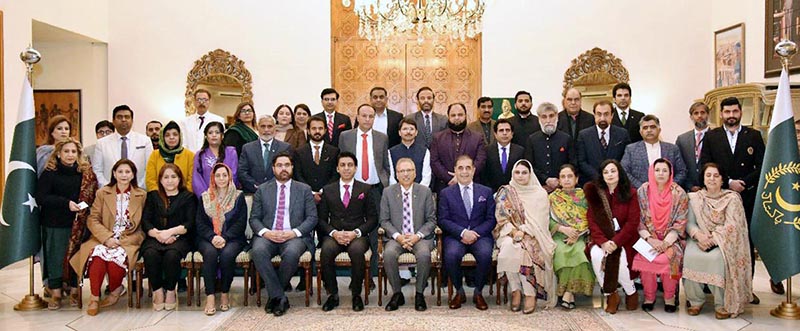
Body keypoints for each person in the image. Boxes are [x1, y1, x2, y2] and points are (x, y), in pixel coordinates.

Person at [699, 96, 766, 301]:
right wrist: (727, 183)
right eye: (727, 112)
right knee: (719, 240)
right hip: (719, 198)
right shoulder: (712, 136)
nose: (731, 116)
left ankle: (747, 288)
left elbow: (763, 165)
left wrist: (743, 183)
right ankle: (716, 285)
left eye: (735, 112)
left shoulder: (754, 135)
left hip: (747, 196)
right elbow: (705, 164)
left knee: (745, 242)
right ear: (721, 114)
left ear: (740, 113)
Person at [70, 159, 146, 316]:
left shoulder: (142, 195)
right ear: (114, 174)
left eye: (127, 172)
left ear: (133, 175)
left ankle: (115, 290)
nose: (124, 175)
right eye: (120, 171)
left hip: (129, 239)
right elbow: (93, 219)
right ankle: (94, 298)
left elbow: (144, 225)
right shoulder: (103, 193)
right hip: (103, 237)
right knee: (97, 258)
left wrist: (125, 241)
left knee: (114, 264)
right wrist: (107, 238)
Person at [249, 152, 317, 316]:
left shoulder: (304, 189)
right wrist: (266, 233)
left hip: (294, 236)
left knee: (292, 252)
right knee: (257, 251)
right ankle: (280, 297)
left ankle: (274, 296)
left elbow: (312, 218)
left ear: (292, 167)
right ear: (273, 169)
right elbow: (254, 219)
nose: (283, 169)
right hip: (268, 235)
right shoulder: (262, 190)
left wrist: (293, 232)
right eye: (279, 165)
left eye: (287, 165)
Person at [683, 163, 753, 319]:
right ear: (703, 178)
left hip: (723, 241)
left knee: (716, 259)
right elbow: (689, 222)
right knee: (690, 256)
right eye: (708, 175)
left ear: (722, 180)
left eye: (716, 176)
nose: (712, 179)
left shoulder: (731, 198)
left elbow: (733, 226)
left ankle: (721, 304)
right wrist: (698, 236)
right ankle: (695, 301)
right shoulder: (695, 198)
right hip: (699, 239)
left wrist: (713, 239)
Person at [37, 139, 98, 309]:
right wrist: (66, 203)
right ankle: (56, 293)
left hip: (78, 224)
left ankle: (74, 291)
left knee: (74, 258)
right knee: (55, 257)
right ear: (58, 153)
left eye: (73, 152)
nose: (70, 155)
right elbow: (41, 197)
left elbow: (91, 194)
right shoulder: (50, 173)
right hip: (54, 223)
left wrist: (83, 206)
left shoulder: (84, 173)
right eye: (66, 151)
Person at [493, 160, 557, 313]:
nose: (520, 176)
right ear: (512, 174)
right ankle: (515, 290)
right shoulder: (506, 191)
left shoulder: (540, 193)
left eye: (524, 173)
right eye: (517, 172)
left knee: (523, 251)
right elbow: (501, 217)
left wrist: (524, 231)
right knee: (509, 246)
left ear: (530, 174)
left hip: (534, 233)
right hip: (508, 231)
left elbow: (541, 222)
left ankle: (529, 293)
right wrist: (514, 232)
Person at [317, 152, 378, 312]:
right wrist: (334, 233)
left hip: (357, 235)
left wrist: (356, 232)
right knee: (326, 251)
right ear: (337, 168)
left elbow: (372, 219)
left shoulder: (365, 188)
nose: (346, 168)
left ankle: (356, 294)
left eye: (350, 165)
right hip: (335, 234)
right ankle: (333, 295)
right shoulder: (328, 190)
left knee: (357, 251)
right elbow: (321, 219)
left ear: (355, 168)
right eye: (343, 165)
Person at [438, 155, 496, 310]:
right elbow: (443, 220)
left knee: (485, 254)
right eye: (460, 168)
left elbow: (491, 219)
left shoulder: (486, 191)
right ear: (455, 171)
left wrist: (475, 233)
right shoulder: (446, 193)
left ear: (474, 170)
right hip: (456, 236)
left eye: (468, 168)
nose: (464, 172)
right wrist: (462, 232)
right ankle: (459, 291)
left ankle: (478, 292)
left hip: (480, 235)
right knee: (450, 254)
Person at [379, 158, 437, 311]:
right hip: (397, 237)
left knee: (424, 254)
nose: (405, 174)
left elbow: (431, 221)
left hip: (419, 238)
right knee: (389, 254)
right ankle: (397, 294)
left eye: (409, 170)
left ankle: (419, 293)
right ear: (396, 174)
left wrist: (417, 236)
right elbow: (384, 220)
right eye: (401, 171)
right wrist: (398, 236)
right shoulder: (388, 192)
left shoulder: (425, 192)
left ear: (415, 173)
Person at [630, 159, 688, 313]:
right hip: (648, 238)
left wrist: (666, 243)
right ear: (652, 172)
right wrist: (650, 239)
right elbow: (639, 220)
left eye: (664, 170)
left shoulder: (679, 193)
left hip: (672, 240)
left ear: (670, 173)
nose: (661, 174)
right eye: (657, 170)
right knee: (644, 257)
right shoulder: (643, 191)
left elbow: (680, 221)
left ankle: (669, 297)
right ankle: (649, 297)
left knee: (668, 259)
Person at [585, 160, 640, 314]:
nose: (609, 175)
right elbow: (592, 221)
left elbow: (632, 222)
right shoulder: (596, 194)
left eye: (613, 171)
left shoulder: (631, 193)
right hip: (601, 239)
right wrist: (602, 242)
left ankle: (630, 291)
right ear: (602, 176)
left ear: (619, 173)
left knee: (620, 258)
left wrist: (615, 242)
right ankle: (611, 294)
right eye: (606, 172)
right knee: (596, 255)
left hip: (625, 239)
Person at [141, 164, 196, 311]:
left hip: (180, 238)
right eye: (166, 177)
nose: (170, 181)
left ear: (179, 179)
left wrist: (171, 233)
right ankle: (157, 291)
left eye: (173, 177)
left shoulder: (188, 197)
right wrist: (158, 235)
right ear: (160, 180)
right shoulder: (153, 196)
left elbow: (189, 223)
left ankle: (171, 291)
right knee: (150, 254)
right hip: (155, 237)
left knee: (171, 255)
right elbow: (146, 221)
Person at [196, 163, 247, 316]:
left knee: (227, 255)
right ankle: (210, 296)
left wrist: (224, 237)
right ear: (212, 177)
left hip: (232, 238)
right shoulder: (205, 197)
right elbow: (200, 223)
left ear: (230, 176)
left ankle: (225, 292)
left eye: (224, 175)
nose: (221, 178)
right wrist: (213, 237)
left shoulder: (238, 196)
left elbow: (240, 223)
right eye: (218, 175)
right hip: (208, 238)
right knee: (210, 254)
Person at [548, 164, 594, 309]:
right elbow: (545, 219)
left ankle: (568, 293)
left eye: (570, 176)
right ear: (559, 181)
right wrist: (562, 228)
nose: (567, 180)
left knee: (580, 252)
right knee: (560, 252)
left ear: (576, 179)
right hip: (559, 235)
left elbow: (592, 218)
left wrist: (577, 233)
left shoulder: (585, 196)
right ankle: (569, 293)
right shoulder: (552, 197)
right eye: (563, 177)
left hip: (582, 235)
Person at [430, 103, 487, 193]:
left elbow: (480, 160)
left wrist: (464, 176)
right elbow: (434, 161)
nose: (457, 118)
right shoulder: (438, 138)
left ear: (466, 116)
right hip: (446, 186)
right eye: (453, 115)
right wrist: (450, 178)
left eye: (460, 115)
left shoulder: (477, 138)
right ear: (448, 117)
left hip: (471, 186)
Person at [93, 105, 153, 188]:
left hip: (139, 192)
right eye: (119, 117)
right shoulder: (102, 143)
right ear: (113, 121)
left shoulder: (145, 141)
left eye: (127, 117)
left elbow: (149, 169)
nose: (123, 119)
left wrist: (138, 188)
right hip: (109, 193)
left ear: (132, 121)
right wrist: (108, 188)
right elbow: (97, 170)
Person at [621, 114, 687, 188]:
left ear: (659, 130)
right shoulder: (631, 149)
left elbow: (682, 171)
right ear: (641, 132)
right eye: (645, 128)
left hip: (668, 194)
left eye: (653, 127)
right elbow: (624, 171)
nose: (649, 130)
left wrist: (669, 186)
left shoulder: (672, 149)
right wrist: (641, 187)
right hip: (640, 194)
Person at [576, 101, 630, 185]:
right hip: (592, 183)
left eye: (606, 114)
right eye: (599, 114)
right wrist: (599, 177)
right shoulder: (584, 135)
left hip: (617, 183)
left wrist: (613, 174)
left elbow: (626, 159)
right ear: (594, 115)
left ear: (612, 115)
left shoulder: (622, 134)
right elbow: (581, 162)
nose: (602, 118)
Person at [526, 102, 575, 192]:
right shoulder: (532, 139)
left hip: (563, 188)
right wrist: (546, 180)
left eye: (551, 116)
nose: (548, 120)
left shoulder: (566, 138)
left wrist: (560, 181)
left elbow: (572, 164)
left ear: (557, 117)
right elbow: (529, 165)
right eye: (544, 117)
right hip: (538, 188)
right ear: (539, 119)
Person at [238, 115, 292, 193]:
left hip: (278, 192)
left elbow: (287, 171)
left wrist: (272, 186)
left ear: (275, 128)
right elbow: (242, 172)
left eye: (269, 126)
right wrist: (255, 185)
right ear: (257, 128)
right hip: (254, 192)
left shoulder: (284, 147)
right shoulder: (247, 148)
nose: (266, 130)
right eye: (263, 126)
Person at [293, 117, 340, 201]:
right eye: (314, 128)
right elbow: (298, 175)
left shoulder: (334, 151)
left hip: (327, 196)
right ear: (308, 131)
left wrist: (323, 190)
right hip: (305, 196)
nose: (317, 131)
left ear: (325, 130)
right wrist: (311, 192)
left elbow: (335, 174)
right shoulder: (299, 152)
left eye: (320, 128)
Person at [145, 121, 195, 193]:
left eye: (175, 134)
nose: (171, 137)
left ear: (180, 136)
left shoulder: (190, 155)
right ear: (162, 137)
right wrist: (159, 197)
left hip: (184, 199)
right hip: (158, 199)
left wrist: (182, 197)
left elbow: (191, 181)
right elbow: (150, 181)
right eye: (167, 135)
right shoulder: (155, 155)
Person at [192, 122, 238, 196]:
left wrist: (225, 194)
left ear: (222, 136)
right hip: (207, 198)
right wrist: (207, 196)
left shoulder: (231, 152)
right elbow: (196, 179)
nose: (214, 135)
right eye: (210, 133)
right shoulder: (199, 155)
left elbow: (234, 174)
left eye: (217, 132)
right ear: (206, 136)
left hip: (228, 197)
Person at [675, 102, 710, 192]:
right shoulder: (682, 139)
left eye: (702, 112)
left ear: (708, 115)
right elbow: (679, 166)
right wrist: (689, 186)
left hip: (711, 188)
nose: (699, 116)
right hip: (688, 190)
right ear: (691, 117)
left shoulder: (717, 136)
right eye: (696, 113)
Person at [482, 118, 524, 192]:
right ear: (495, 134)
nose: (505, 133)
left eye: (507, 130)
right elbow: (484, 175)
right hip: (492, 193)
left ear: (512, 133)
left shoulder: (520, 151)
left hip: (515, 192)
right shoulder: (487, 151)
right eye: (501, 130)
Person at [388, 118, 432, 187]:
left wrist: (419, 191)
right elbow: (391, 176)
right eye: (405, 129)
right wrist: (399, 191)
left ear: (416, 132)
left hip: (419, 192)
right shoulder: (391, 152)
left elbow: (426, 176)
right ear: (399, 132)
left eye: (411, 129)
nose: (408, 132)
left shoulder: (424, 151)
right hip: (397, 193)